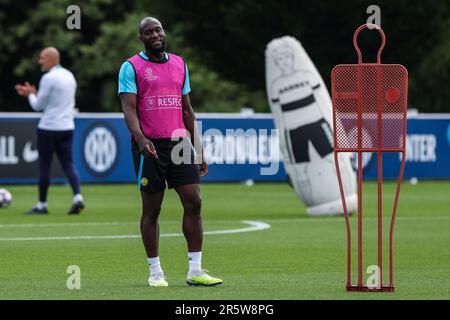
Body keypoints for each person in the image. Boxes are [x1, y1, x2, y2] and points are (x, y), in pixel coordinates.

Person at [118, 17, 222, 287]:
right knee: (152, 210)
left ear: (164, 33)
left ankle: (196, 270)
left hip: (178, 143)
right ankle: (155, 272)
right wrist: (140, 139)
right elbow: (129, 108)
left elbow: (187, 109)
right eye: (148, 32)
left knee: (194, 201)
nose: (155, 35)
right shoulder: (131, 67)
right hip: (149, 144)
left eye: (158, 30)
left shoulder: (179, 63)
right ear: (141, 38)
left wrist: (198, 148)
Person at [15, 47, 85, 215]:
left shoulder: (48, 77)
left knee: (44, 166)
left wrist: (30, 94)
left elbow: (38, 106)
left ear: (52, 59)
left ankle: (42, 204)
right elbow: (54, 101)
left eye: (42, 58)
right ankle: (78, 198)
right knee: (68, 164)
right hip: (67, 127)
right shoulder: (69, 75)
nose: (40, 61)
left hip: (48, 128)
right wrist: (35, 93)